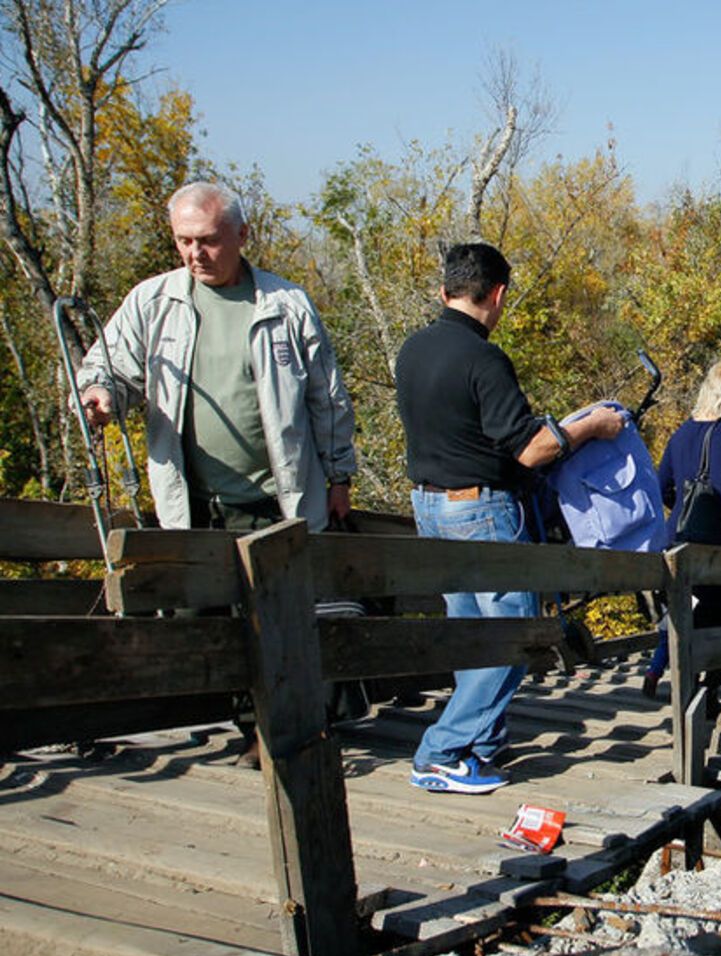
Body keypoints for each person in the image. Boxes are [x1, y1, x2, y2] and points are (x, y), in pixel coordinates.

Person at [77, 180, 358, 769]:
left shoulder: (285, 305)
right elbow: (109, 365)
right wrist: (101, 395)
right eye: (183, 241)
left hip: (275, 497)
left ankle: (273, 734)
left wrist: (339, 476)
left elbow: (327, 399)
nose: (194, 253)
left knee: (279, 619)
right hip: (192, 499)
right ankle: (236, 721)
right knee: (201, 622)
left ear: (240, 236)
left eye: (206, 240)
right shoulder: (153, 302)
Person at [396, 242, 623, 795]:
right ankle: (440, 753)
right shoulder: (483, 358)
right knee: (515, 637)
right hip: (481, 511)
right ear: (497, 295)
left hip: (429, 506)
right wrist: (592, 426)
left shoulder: (412, 349)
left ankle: (480, 746)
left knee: (472, 636)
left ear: (444, 289)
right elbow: (530, 451)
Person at [645, 359, 721, 714]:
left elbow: (661, 484)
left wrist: (684, 507)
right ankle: (706, 691)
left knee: (688, 612)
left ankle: (677, 678)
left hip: (678, 537)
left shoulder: (682, 431)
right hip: (714, 542)